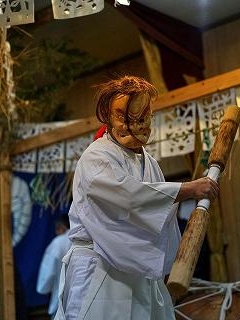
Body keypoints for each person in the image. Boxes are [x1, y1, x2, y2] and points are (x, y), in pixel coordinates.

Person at [54, 76, 219, 320]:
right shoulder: (96, 156)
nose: (132, 127)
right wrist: (189, 189)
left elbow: (154, 214)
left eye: (141, 118)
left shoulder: (149, 162)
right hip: (100, 268)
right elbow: (128, 197)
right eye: (123, 117)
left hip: (138, 272)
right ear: (108, 117)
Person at [37, 215, 72, 318]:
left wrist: (44, 288)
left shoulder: (58, 243)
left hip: (61, 297)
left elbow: (48, 273)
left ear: (61, 227)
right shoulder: (88, 238)